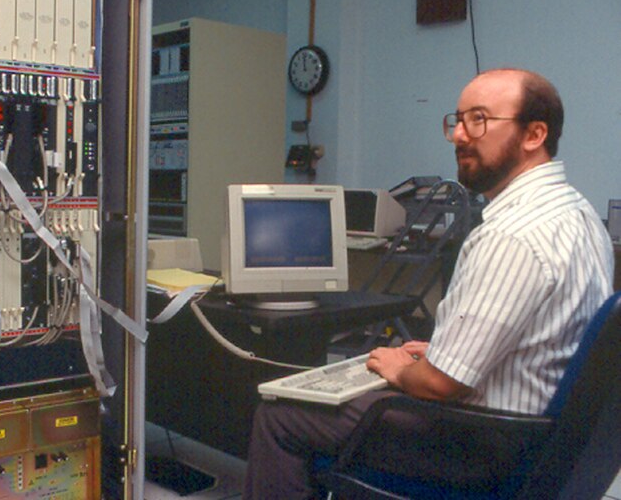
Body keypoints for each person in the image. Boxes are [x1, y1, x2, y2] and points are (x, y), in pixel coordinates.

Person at [243, 68, 615, 499]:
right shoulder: (578, 212)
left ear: (534, 134)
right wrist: (440, 356)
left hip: (483, 446)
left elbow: (442, 385)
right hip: (541, 436)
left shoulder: (510, 234)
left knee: (280, 417)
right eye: (456, 120)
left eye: (479, 119)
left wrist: (407, 371)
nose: (459, 135)